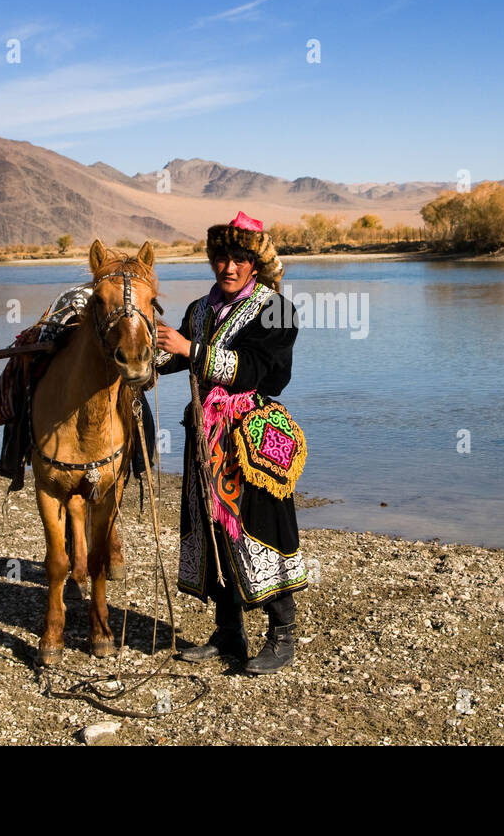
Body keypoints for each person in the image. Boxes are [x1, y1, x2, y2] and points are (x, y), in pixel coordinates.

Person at [155, 211, 307, 674]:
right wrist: (144, 354)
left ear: (255, 264)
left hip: (250, 438)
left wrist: (191, 351)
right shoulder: (200, 308)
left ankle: (282, 636)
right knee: (211, 525)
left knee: (260, 527)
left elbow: (266, 374)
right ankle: (228, 634)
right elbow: (175, 357)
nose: (228, 266)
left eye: (239, 258)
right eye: (221, 257)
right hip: (204, 435)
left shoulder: (277, 309)